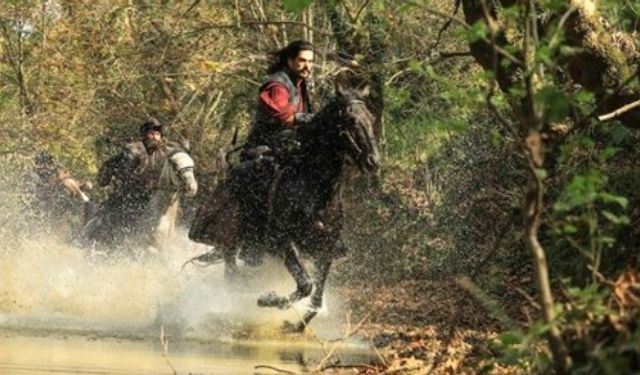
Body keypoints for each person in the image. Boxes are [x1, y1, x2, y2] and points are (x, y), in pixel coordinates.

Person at [92, 118, 167, 246]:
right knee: (110, 217)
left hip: (149, 198)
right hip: (127, 197)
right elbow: (119, 171)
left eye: (157, 134)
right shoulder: (134, 149)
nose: (155, 137)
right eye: (151, 133)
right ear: (144, 135)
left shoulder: (162, 155)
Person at [243, 39, 316, 160]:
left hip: (287, 144)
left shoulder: (299, 84)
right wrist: (315, 118)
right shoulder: (277, 85)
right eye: (302, 60)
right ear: (290, 61)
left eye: (310, 61)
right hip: (264, 150)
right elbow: (285, 118)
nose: (307, 66)